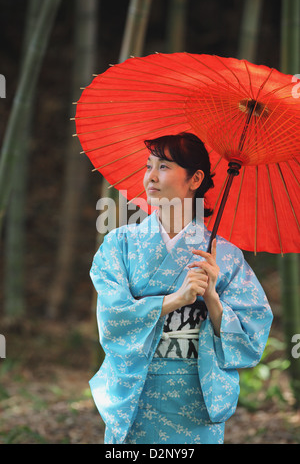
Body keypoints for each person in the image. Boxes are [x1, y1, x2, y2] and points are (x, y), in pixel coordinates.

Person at [89, 132, 273, 444]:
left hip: (196, 400)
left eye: (163, 167)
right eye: (149, 166)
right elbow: (112, 318)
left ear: (195, 178)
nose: (150, 177)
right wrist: (177, 299)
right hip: (137, 394)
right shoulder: (119, 244)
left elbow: (252, 337)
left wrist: (212, 298)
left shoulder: (225, 256)